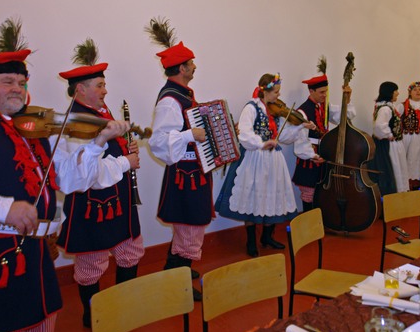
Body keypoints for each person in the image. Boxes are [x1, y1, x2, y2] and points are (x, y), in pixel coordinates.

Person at [0, 20, 130, 332]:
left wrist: (98, 143)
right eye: (7, 81)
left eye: (22, 82)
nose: (17, 88)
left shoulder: (35, 129)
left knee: (43, 325)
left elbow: (72, 179)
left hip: (38, 253)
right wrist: (3, 208)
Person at [57, 39, 144, 328]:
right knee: (91, 262)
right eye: (99, 85)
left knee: (130, 251)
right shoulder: (76, 123)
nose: (105, 90)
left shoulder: (101, 113)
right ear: (80, 89)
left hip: (117, 199)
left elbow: (109, 151)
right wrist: (125, 162)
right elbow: (88, 174)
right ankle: (92, 314)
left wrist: (126, 148)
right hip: (93, 204)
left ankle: (123, 306)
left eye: (104, 84)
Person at [216, 73, 316, 257]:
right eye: (276, 92)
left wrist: (301, 126)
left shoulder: (275, 111)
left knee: (272, 198)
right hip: (254, 158)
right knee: (252, 199)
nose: (279, 95)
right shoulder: (251, 108)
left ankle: (267, 237)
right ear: (265, 92)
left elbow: (283, 137)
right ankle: (251, 241)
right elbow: (244, 134)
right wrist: (261, 143)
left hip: (273, 160)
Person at [147, 19, 211, 301]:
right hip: (185, 174)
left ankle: (173, 269)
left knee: (188, 225)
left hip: (193, 171)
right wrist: (189, 135)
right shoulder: (170, 101)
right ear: (182, 68)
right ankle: (179, 283)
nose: (195, 66)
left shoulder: (183, 95)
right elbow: (158, 142)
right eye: (191, 63)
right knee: (189, 225)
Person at [292, 69, 355, 212]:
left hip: (323, 156)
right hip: (310, 159)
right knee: (309, 194)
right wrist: (312, 155)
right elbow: (300, 140)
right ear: (311, 91)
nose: (325, 95)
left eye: (326, 91)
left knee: (321, 193)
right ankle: (309, 222)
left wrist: (347, 99)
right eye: (321, 92)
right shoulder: (302, 112)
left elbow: (344, 116)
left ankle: (320, 221)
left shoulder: (324, 107)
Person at [372, 81, 410, 194]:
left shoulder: (388, 107)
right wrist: (389, 135)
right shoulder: (385, 109)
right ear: (389, 92)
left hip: (394, 144)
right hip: (389, 146)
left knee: (397, 167)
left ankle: (398, 193)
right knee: (393, 167)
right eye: (395, 91)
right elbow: (379, 126)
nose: (398, 93)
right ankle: (393, 193)